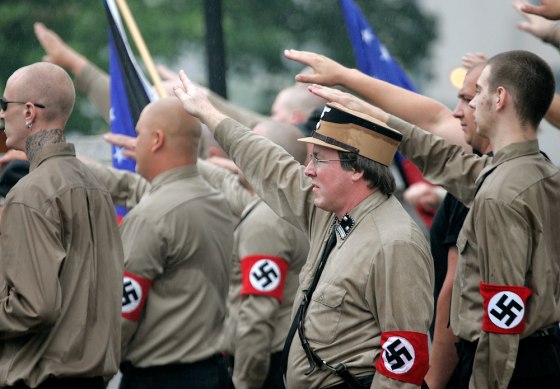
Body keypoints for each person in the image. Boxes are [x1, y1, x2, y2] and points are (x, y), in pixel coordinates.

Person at [308, 49, 560, 388]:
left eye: (479, 92)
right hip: (534, 356)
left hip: (506, 366)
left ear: (500, 98)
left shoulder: (501, 192)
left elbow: (503, 313)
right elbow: (444, 157)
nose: (470, 105)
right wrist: (372, 115)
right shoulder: (537, 172)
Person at [174, 72, 434, 389]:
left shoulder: (395, 241)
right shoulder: (330, 211)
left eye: (319, 159)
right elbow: (270, 164)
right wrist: (209, 114)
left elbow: (404, 362)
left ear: (355, 168)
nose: (307, 169)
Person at [87, 97, 234, 389]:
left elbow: (122, 316)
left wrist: (94, 375)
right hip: (213, 373)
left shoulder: (151, 216)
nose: (133, 144)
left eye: (139, 134)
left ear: (156, 140)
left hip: (161, 378)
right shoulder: (217, 203)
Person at [0, 62, 124, 388]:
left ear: (29, 112)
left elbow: (33, 306)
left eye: (5, 105)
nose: (1, 115)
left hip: (45, 377)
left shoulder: (30, 192)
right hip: (92, 377)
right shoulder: (94, 184)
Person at [200, 120, 309, 389]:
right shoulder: (295, 207)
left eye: (248, 147)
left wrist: (245, 382)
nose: (238, 153)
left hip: (268, 366)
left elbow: (257, 314)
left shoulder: (267, 220)